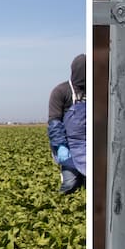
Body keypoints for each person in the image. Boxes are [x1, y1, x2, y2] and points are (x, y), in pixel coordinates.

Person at [47, 53, 86, 193]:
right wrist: (61, 146)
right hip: (68, 145)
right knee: (70, 183)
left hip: (87, 145)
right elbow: (54, 123)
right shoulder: (61, 91)